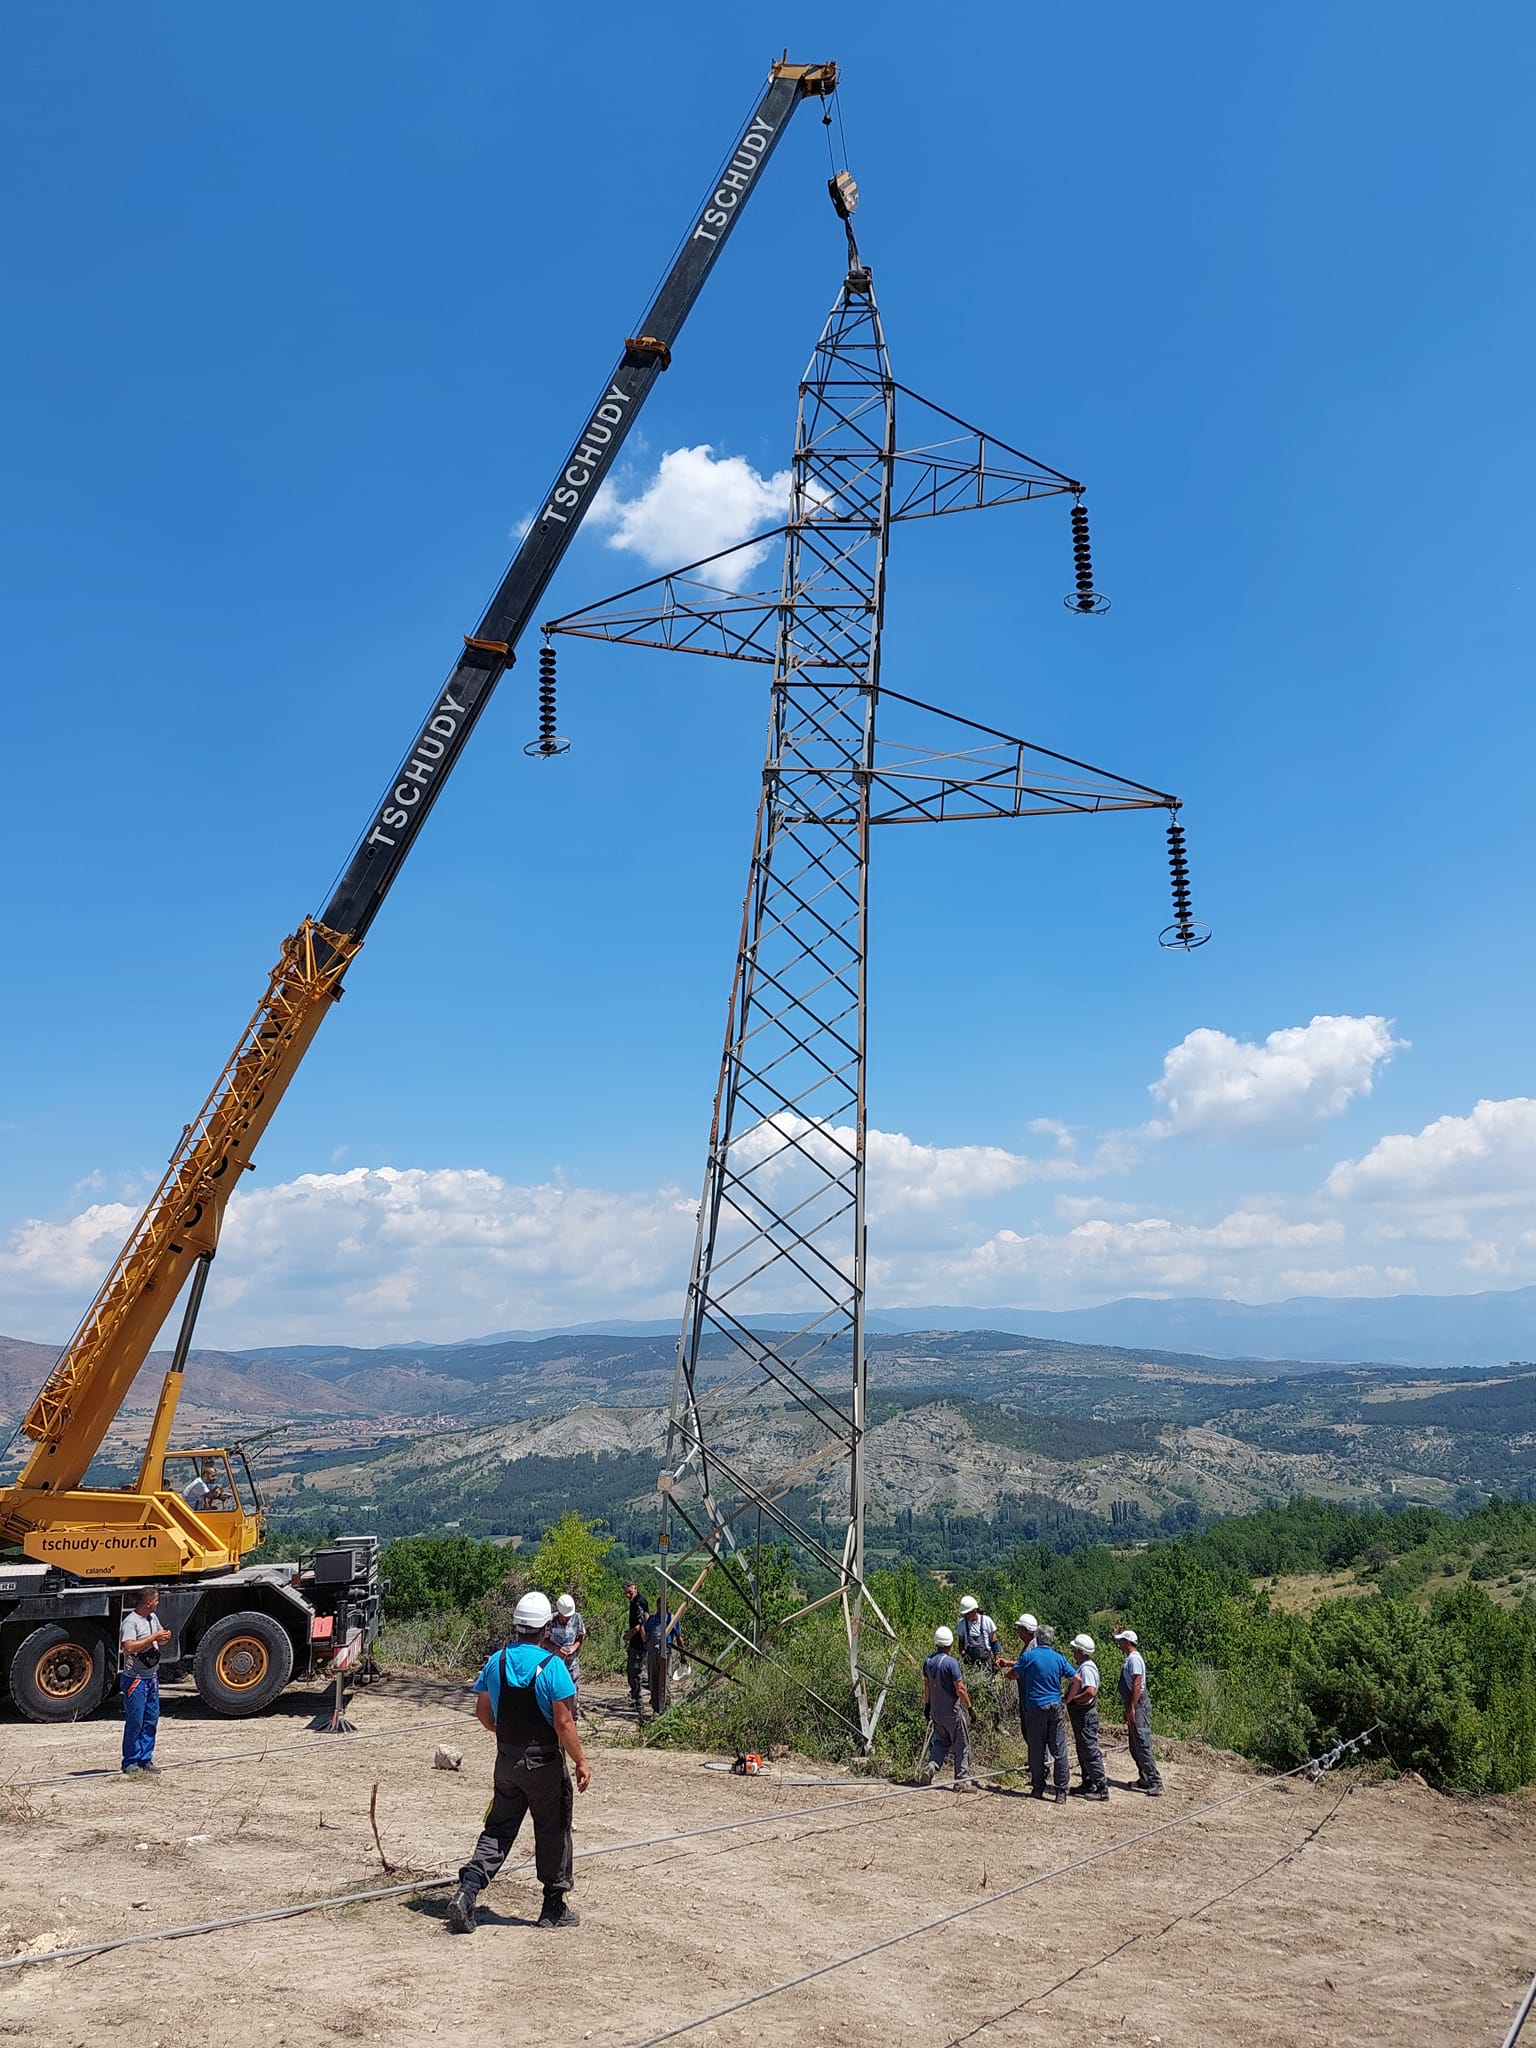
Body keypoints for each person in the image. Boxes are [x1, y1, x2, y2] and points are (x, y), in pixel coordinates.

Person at [448, 1590, 591, 1934]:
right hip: (543, 1764)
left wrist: (510, 1736)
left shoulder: (495, 1662)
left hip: (506, 1761)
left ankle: (468, 1891)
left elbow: (483, 1714)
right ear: (544, 1629)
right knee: (553, 1829)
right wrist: (581, 1762)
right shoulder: (552, 1666)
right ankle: (553, 1907)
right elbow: (564, 1722)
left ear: (517, 1627)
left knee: (498, 1829)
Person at [1005, 1613, 1075, 1802]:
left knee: (1036, 1749)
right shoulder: (1059, 1658)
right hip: (1055, 1706)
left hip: (1035, 1707)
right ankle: (1061, 1791)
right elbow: (1076, 1678)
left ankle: (1038, 1787)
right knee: (1059, 1749)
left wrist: (1009, 1674)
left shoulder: (1029, 1655)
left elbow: (1013, 1674)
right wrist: (1067, 1698)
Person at [919, 1625, 978, 1789]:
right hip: (951, 1711)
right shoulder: (951, 1663)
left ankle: (931, 1767)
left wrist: (927, 1705)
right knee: (962, 1744)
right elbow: (960, 1689)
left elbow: (927, 1687)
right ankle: (961, 1781)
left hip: (935, 1711)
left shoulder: (928, 1662)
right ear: (950, 1644)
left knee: (940, 1742)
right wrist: (970, 1708)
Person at [119, 1587, 171, 1776]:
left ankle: (145, 1759)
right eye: (156, 1600)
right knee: (136, 1721)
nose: (157, 1603)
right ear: (148, 1602)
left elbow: (157, 1638)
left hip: (152, 1677)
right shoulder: (130, 1622)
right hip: (135, 1679)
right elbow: (129, 1646)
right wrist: (153, 1637)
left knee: (151, 1719)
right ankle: (130, 1761)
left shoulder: (152, 1619)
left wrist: (163, 1638)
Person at [1112, 1627, 1163, 1795]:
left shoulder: (1134, 1659)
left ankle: (1155, 1781)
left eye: (1120, 1641)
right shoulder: (1131, 1659)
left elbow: (1137, 1683)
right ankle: (1145, 1778)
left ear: (1127, 1642)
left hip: (1139, 1706)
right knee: (1134, 1745)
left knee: (1142, 1744)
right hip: (1134, 1705)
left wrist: (1132, 1707)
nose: (1119, 1644)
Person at [1065, 1634, 1109, 1801]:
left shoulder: (1087, 1668)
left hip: (1085, 1715)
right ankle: (1088, 1782)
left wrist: (1073, 1700)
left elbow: (1090, 1691)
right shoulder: (1085, 1666)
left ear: (1081, 1651)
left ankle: (1101, 1788)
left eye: (1074, 1650)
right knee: (1083, 1749)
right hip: (1083, 1716)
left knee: (1089, 1750)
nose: (1072, 1652)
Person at [547, 1593, 587, 1714]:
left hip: (571, 1665)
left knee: (572, 1696)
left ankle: (573, 1720)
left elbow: (581, 1637)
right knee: (553, 1695)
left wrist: (574, 1648)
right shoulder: (550, 1620)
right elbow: (544, 1640)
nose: (567, 1618)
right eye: (565, 1616)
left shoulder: (577, 1618)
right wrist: (557, 1649)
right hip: (554, 1664)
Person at [642, 1601, 683, 1716]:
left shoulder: (672, 1618)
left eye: (666, 1606)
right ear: (658, 1606)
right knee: (653, 1678)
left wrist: (682, 1653)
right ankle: (656, 1706)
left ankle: (665, 1706)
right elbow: (645, 1631)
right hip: (652, 1651)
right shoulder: (652, 1620)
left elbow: (678, 1636)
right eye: (662, 1606)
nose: (664, 1608)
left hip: (666, 1651)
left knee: (664, 1678)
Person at [623, 1580, 651, 1716]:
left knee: (636, 1673)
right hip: (638, 1642)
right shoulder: (636, 1601)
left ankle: (639, 1701)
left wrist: (631, 1634)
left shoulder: (639, 1602)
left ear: (635, 1588)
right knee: (635, 1672)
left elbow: (642, 1622)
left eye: (630, 1591)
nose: (628, 1594)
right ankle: (638, 1697)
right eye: (626, 1592)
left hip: (639, 1643)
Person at [955, 1594, 1000, 1671]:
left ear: (974, 1610)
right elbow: (961, 1642)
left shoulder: (987, 1621)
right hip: (969, 1663)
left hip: (986, 1663)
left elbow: (994, 1641)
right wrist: (963, 1655)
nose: (965, 1616)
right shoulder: (962, 1624)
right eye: (964, 1614)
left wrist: (997, 1659)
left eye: (967, 1614)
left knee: (987, 1682)